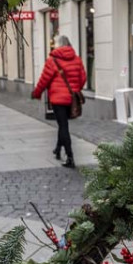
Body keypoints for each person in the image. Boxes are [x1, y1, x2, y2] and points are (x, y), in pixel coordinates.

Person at [32, 35, 86, 168]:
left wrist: (37, 93)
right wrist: (75, 89)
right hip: (72, 98)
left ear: (57, 45)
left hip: (58, 99)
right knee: (63, 125)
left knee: (63, 126)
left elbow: (44, 79)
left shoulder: (53, 60)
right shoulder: (77, 59)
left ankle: (70, 157)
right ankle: (57, 149)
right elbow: (83, 78)